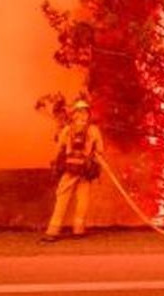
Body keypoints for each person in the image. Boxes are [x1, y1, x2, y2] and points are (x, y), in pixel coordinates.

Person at [41, 98, 104, 242]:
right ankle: (78, 230)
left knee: (62, 198)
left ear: (74, 113)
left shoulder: (67, 130)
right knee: (83, 199)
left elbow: (59, 149)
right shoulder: (94, 130)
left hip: (69, 170)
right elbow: (100, 150)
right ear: (89, 113)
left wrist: (57, 164)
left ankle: (53, 231)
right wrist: (92, 153)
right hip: (85, 171)